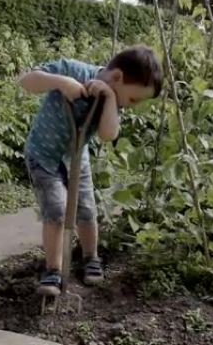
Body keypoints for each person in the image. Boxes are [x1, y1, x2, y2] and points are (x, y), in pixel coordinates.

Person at [18, 45, 163, 296]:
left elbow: (108, 135)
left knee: (86, 209)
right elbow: (27, 81)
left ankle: (90, 257)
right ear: (117, 77)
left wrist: (108, 97)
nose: (131, 105)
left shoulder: (113, 101)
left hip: (76, 157)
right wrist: (61, 82)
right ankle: (53, 270)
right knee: (57, 210)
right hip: (44, 156)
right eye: (133, 99)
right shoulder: (72, 70)